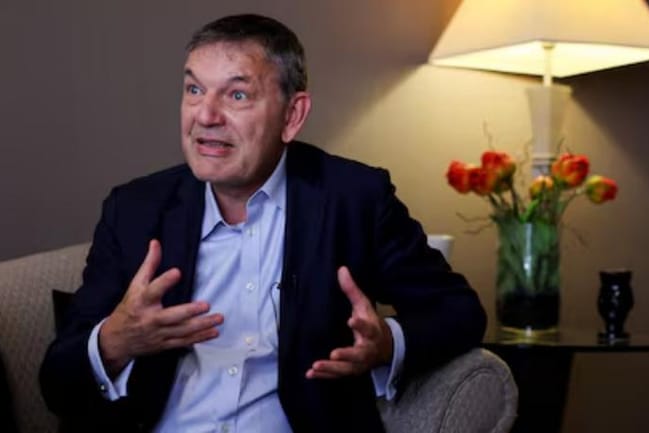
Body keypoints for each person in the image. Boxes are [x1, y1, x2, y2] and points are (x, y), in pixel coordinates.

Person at [39, 13, 486, 433]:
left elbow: (459, 311)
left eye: (236, 95)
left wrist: (386, 344)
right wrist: (115, 341)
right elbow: (57, 382)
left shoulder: (353, 199)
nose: (205, 116)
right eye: (194, 90)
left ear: (292, 116)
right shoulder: (135, 209)